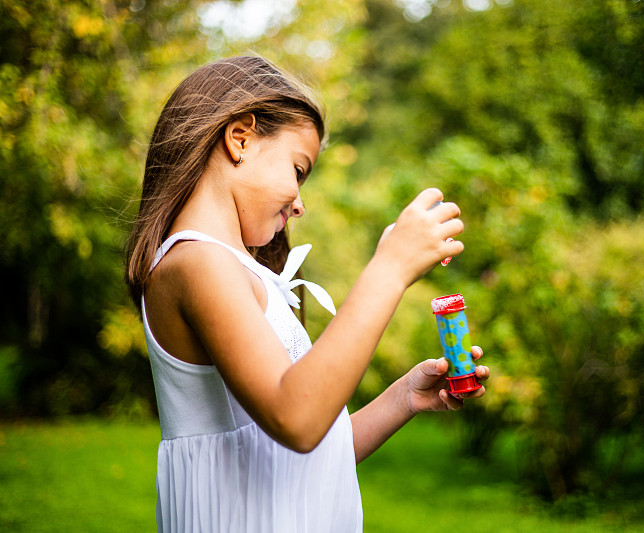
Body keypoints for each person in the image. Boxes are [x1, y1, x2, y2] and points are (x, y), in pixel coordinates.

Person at [124, 55, 489, 533]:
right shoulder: (197, 263)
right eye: (298, 170)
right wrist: (390, 269)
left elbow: (309, 450)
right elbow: (295, 418)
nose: (300, 203)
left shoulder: (234, 270)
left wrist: (404, 399)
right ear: (240, 139)